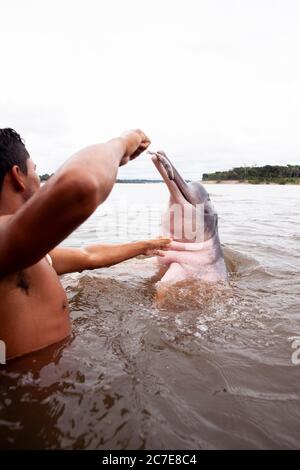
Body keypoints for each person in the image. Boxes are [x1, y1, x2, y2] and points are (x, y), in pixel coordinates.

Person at [0, 128, 170, 360]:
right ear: (18, 175)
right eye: (35, 170)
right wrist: (121, 144)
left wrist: (146, 245)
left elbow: (90, 256)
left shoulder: (22, 250)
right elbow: (81, 185)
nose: (39, 179)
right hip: (32, 392)